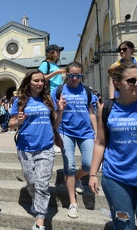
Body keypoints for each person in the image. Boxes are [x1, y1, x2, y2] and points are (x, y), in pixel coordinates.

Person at [89, 64, 137, 229]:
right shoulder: (106, 109)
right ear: (117, 83)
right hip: (116, 177)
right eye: (131, 81)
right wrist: (93, 174)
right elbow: (100, 143)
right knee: (124, 226)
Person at [8, 69, 65, 230]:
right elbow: (11, 124)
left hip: (45, 147)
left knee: (42, 183)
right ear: (28, 83)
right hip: (25, 148)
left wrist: (60, 111)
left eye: (42, 81)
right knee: (31, 181)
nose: (40, 84)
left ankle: (40, 220)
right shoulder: (20, 101)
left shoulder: (48, 100)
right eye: (36, 81)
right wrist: (18, 122)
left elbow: (54, 125)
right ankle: (36, 199)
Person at [51, 61, 97, 219]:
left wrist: (96, 133)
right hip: (66, 132)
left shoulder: (87, 91)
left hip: (85, 132)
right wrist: (58, 111)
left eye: (78, 75)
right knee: (69, 166)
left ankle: (78, 178)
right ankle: (73, 203)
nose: (75, 78)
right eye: (72, 75)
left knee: (89, 165)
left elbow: (92, 113)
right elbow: (54, 113)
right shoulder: (58, 91)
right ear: (67, 75)